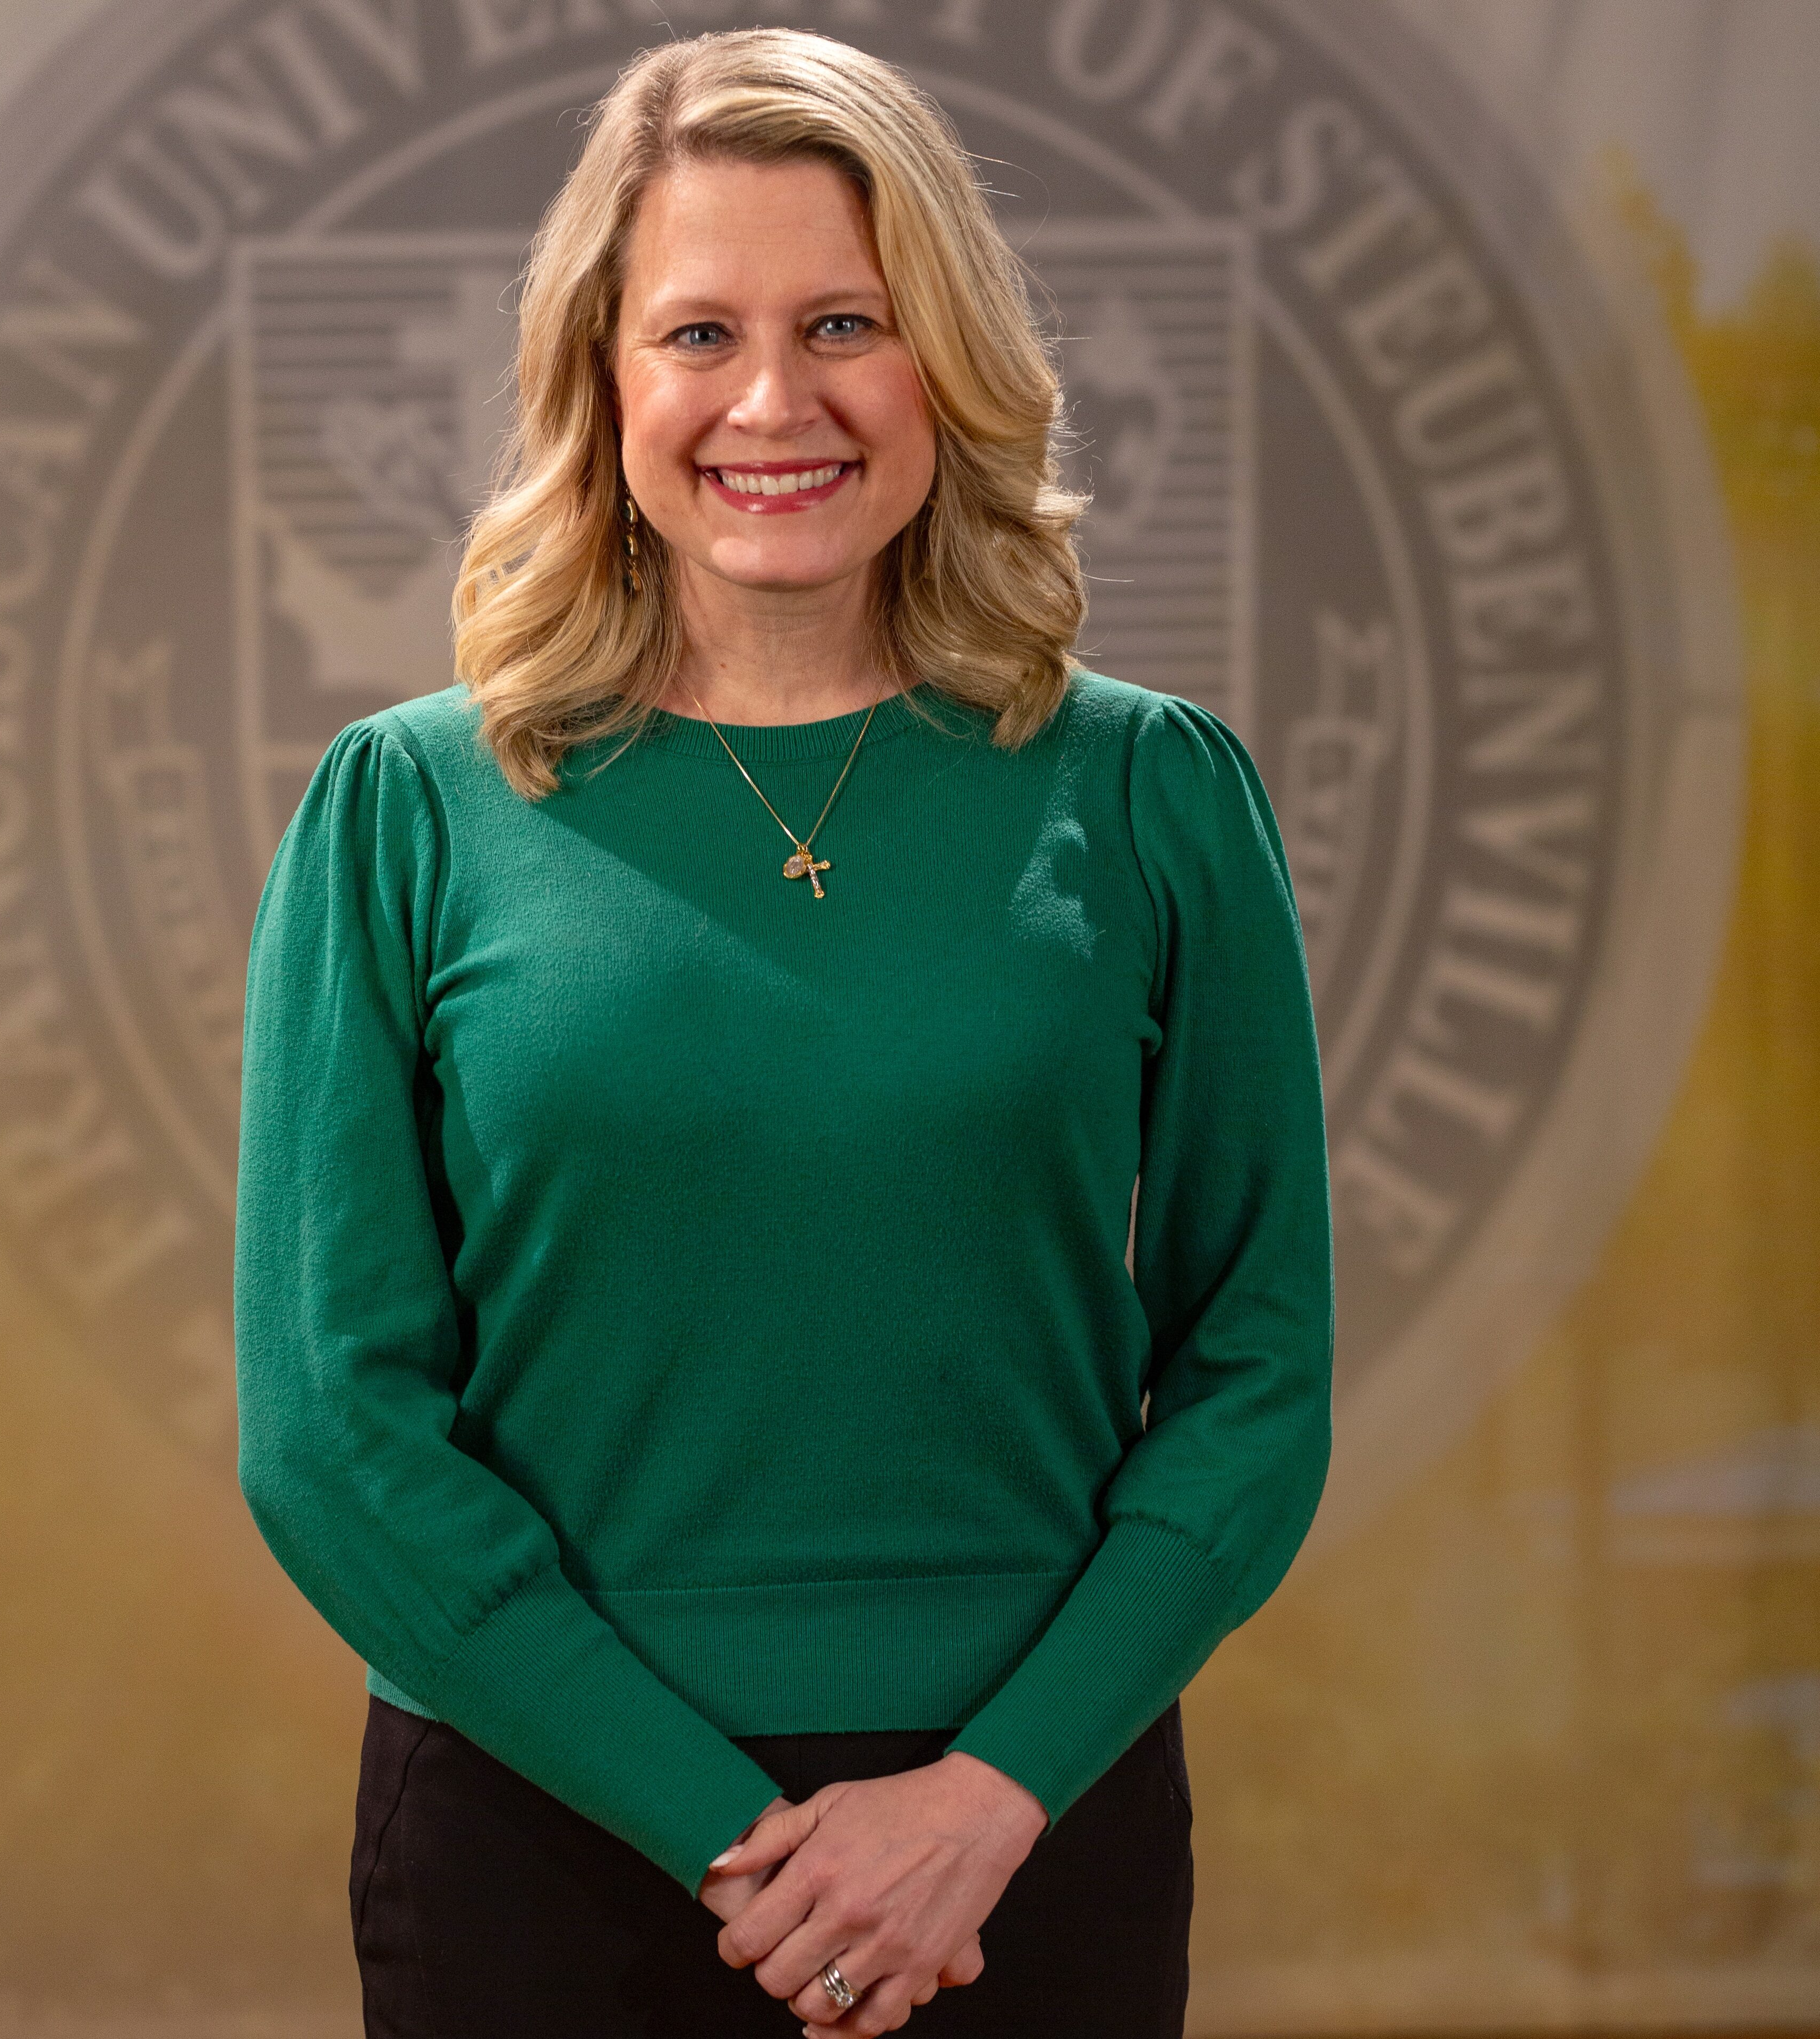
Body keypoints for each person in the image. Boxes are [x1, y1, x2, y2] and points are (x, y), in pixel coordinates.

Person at [233, 25, 1332, 2039]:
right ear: (602, 379)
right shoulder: (405, 807)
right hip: (541, 1836)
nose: (773, 400)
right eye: (696, 334)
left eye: (847, 320)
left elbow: (1260, 1374)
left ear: (952, 365)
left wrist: (984, 1806)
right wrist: (742, 1844)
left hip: (1021, 1843)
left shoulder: (1158, 793)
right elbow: (329, 1434)